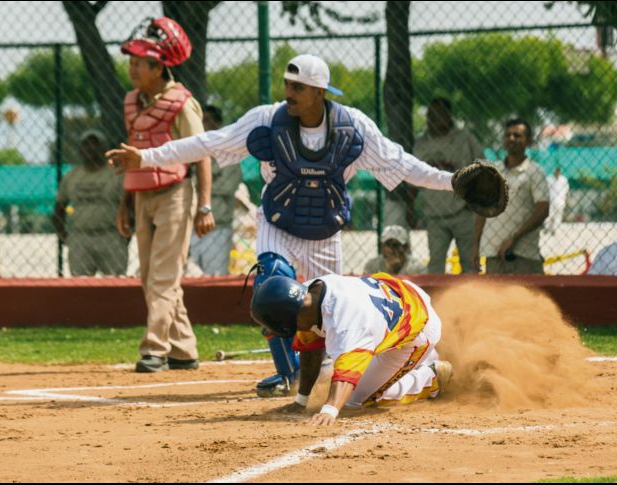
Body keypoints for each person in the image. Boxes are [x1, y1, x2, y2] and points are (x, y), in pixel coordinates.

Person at [107, 53, 478, 395]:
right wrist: (145, 157)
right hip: (278, 222)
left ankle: (414, 373)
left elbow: (404, 163)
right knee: (273, 283)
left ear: (319, 91)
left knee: (324, 317)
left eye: (298, 87)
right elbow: (207, 142)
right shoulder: (267, 120)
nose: (289, 93)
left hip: (325, 231)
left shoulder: (353, 127)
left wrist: (452, 181)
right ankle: (289, 375)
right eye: (286, 84)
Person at [117, 17, 215, 373]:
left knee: (162, 276)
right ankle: (183, 348)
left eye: (140, 63)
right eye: (131, 62)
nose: (132, 69)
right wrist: (124, 204)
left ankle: (154, 349)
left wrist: (204, 204)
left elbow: (201, 152)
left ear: (159, 67)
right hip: (142, 196)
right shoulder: (132, 102)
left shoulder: (181, 103)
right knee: (151, 277)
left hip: (175, 194)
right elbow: (133, 156)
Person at [250, 272, 453, 426]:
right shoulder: (307, 296)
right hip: (398, 300)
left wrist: (329, 410)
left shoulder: (348, 324)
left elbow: (347, 376)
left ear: (296, 315)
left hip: (417, 328)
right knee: (337, 372)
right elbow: (310, 350)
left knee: (356, 399)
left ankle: (431, 377)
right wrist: (301, 401)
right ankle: (428, 358)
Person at [471, 119, 549, 274]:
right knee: (495, 298)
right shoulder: (493, 171)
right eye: (508, 135)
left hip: (523, 256)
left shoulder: (535, 172)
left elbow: (543, 210)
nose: (511, 138)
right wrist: (475, 246)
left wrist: (514, 239)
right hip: (493, 255)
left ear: (528, 141)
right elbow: (482, 211)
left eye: (517, 135)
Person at [414, 98, 483, 274]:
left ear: (448, 115)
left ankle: (473, 300)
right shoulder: (421, 143)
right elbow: (412, 175)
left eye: (438, 114)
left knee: (470, 265)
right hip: (434, 215)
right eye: (430, 115)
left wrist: (475, 197)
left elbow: (484, 166)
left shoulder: (465, 139)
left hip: (463, 212)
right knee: (436, 267)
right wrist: (410, 205)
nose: (433, 119)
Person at [54, 130, 128, 276]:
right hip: (80, 236)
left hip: (110, 235)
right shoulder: (71, 176)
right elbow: (59, 207)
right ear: (80, 150)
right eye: (86, 145)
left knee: (115, 282)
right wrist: (63, 235)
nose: (90, 149)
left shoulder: (117, 174)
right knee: (80, 285)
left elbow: (129, 205)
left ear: (104, 149)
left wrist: (126, 235)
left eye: (95, 145)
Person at [188, 105, 242, 275]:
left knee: (215, 275)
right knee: (188, 276)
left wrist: (198, 184)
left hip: (217, 226)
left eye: (208, 120)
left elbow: (227, 186)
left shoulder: (229, 154)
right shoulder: (190, 152)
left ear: (218, 124)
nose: (204, 125)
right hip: (190, 226)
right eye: (201, 121)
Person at [544, 167, 569, 235]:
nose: (557, 172)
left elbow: (566, 191)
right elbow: (545, 190)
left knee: (558, 216)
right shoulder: (548, 179)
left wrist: (566, 200)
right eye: (556, 170)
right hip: (550, 200)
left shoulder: (564, 180)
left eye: (558, 171)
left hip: (560, 201)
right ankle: (547, 228)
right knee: (549, 216)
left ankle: (554, 229)